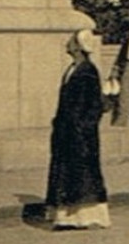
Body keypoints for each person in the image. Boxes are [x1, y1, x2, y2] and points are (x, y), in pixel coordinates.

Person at [44, 28, 110, 230]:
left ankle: (84, 216)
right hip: (67, 130)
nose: (67, 44)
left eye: (71, 41)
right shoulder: (73, 69)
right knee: (67, 172)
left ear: (79, 47)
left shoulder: (88, 71)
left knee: (82, 172)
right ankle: (66, 217)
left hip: (79, 132)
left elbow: (93, 105)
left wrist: (82, 128)